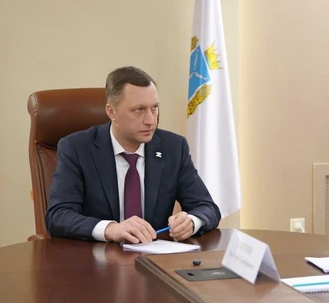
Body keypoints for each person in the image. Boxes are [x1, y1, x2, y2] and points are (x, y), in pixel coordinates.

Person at [46, 66, 221, 244]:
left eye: (154, 108)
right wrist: (110, 229)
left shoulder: (173, 148)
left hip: (153, 255)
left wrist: (191, 221)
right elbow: (58, 216)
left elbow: (207, 208)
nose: (151, 120)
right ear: (111, 112)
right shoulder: (77, 148)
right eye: (139, 110)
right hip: (98, 256)